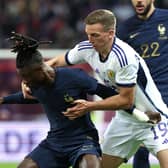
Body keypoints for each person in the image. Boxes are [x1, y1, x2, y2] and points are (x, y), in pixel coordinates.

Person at [22, 9, 168, 168]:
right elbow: (55, 63)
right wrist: (30, 76)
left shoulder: (124, 58)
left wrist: (90, 106)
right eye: (88, 34)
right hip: (126, 121)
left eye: (95, 35)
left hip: (154, 119)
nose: (89, 40)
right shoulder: (87, 48)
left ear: (110, 33)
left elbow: (126, 100)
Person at [1, 32, 119, 168]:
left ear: (40, 70)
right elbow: (30, 97)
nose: (25, 81)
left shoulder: (74, 77)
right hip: (55, 142)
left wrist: (91, 106)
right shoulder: (35, 84)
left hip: (83, 141)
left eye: (27, 76)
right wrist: (3, 99)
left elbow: (109, 95)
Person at [117, 0, 168, 167]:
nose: (139, 1)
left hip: (167, 87)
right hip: (144, 95)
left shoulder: (166, 18)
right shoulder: (125, 28)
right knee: (142, 145)